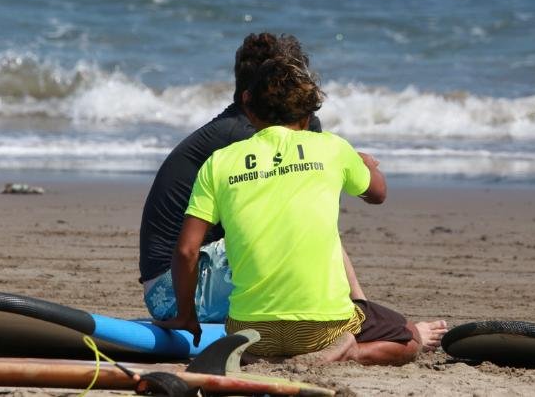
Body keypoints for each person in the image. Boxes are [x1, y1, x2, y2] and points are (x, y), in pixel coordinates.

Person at [155, 56, 447, 365]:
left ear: (248, 107)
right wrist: (364, 163)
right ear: (308, 114)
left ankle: (257, 356)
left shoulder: (219, 163)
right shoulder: (332, 148)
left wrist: (187, 316)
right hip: (322, 327)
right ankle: (350, 351)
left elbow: (186, 251)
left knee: (264, 335)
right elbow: (378, 194)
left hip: (250, 330)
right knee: (409, 336)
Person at [138, 33, 367, 323]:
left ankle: (357, 306)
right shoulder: (244, 140)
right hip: (174, 290)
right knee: (304, 226)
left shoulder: (237, 130)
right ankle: (357, 314)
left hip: (179, 283)